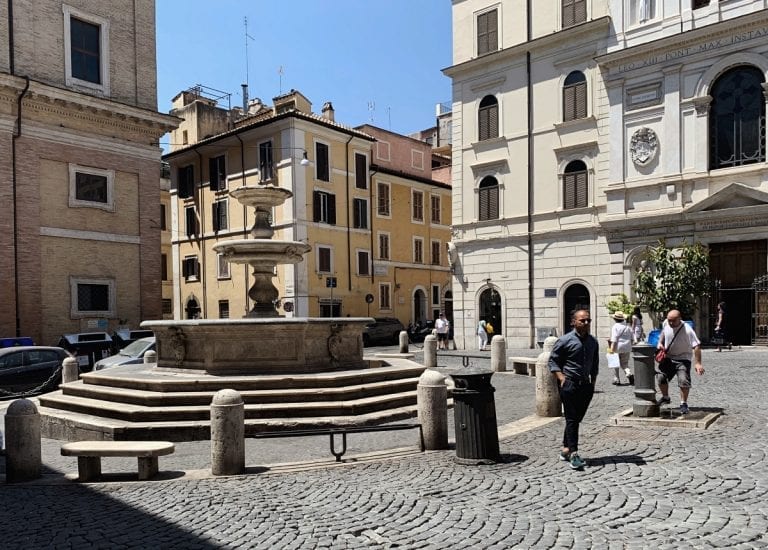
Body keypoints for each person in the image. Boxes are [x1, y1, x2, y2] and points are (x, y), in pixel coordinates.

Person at [548, 309, 599, 470]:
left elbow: (595, 364)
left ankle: (565, 448)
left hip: (586, 385)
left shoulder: (593, 341)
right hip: (569, 384)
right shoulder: (564, 341)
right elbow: (553, 362)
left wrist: (593, 383)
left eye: (588, 320)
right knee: (571, 418)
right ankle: (574, 453)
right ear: (573, 322)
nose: (585, 323)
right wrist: (562, 379)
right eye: (582, 320)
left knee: (576, 419)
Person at [656, 309, 704, 415]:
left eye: (673, 321)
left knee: (683, 381)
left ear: (679, 319)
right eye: (669, 320)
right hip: (668, 357)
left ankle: (683, 403)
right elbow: (663, 333)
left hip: (683, 358)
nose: (671, 323)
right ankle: (665, 397)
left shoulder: (687, 329)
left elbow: (696, 346)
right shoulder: (666, 323)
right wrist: (660, 343)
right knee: (661, 377)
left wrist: (698, 363)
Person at [609, 311, 635, 386]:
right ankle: (629, 373)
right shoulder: (627, 326)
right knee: (625, 363)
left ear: (615, 319)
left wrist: (611, 349)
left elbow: (614, 339)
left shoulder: (615, 327)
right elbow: (632, 338)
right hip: (627, 347)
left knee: (615, 363)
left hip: (617, 347)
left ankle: (617, 379)